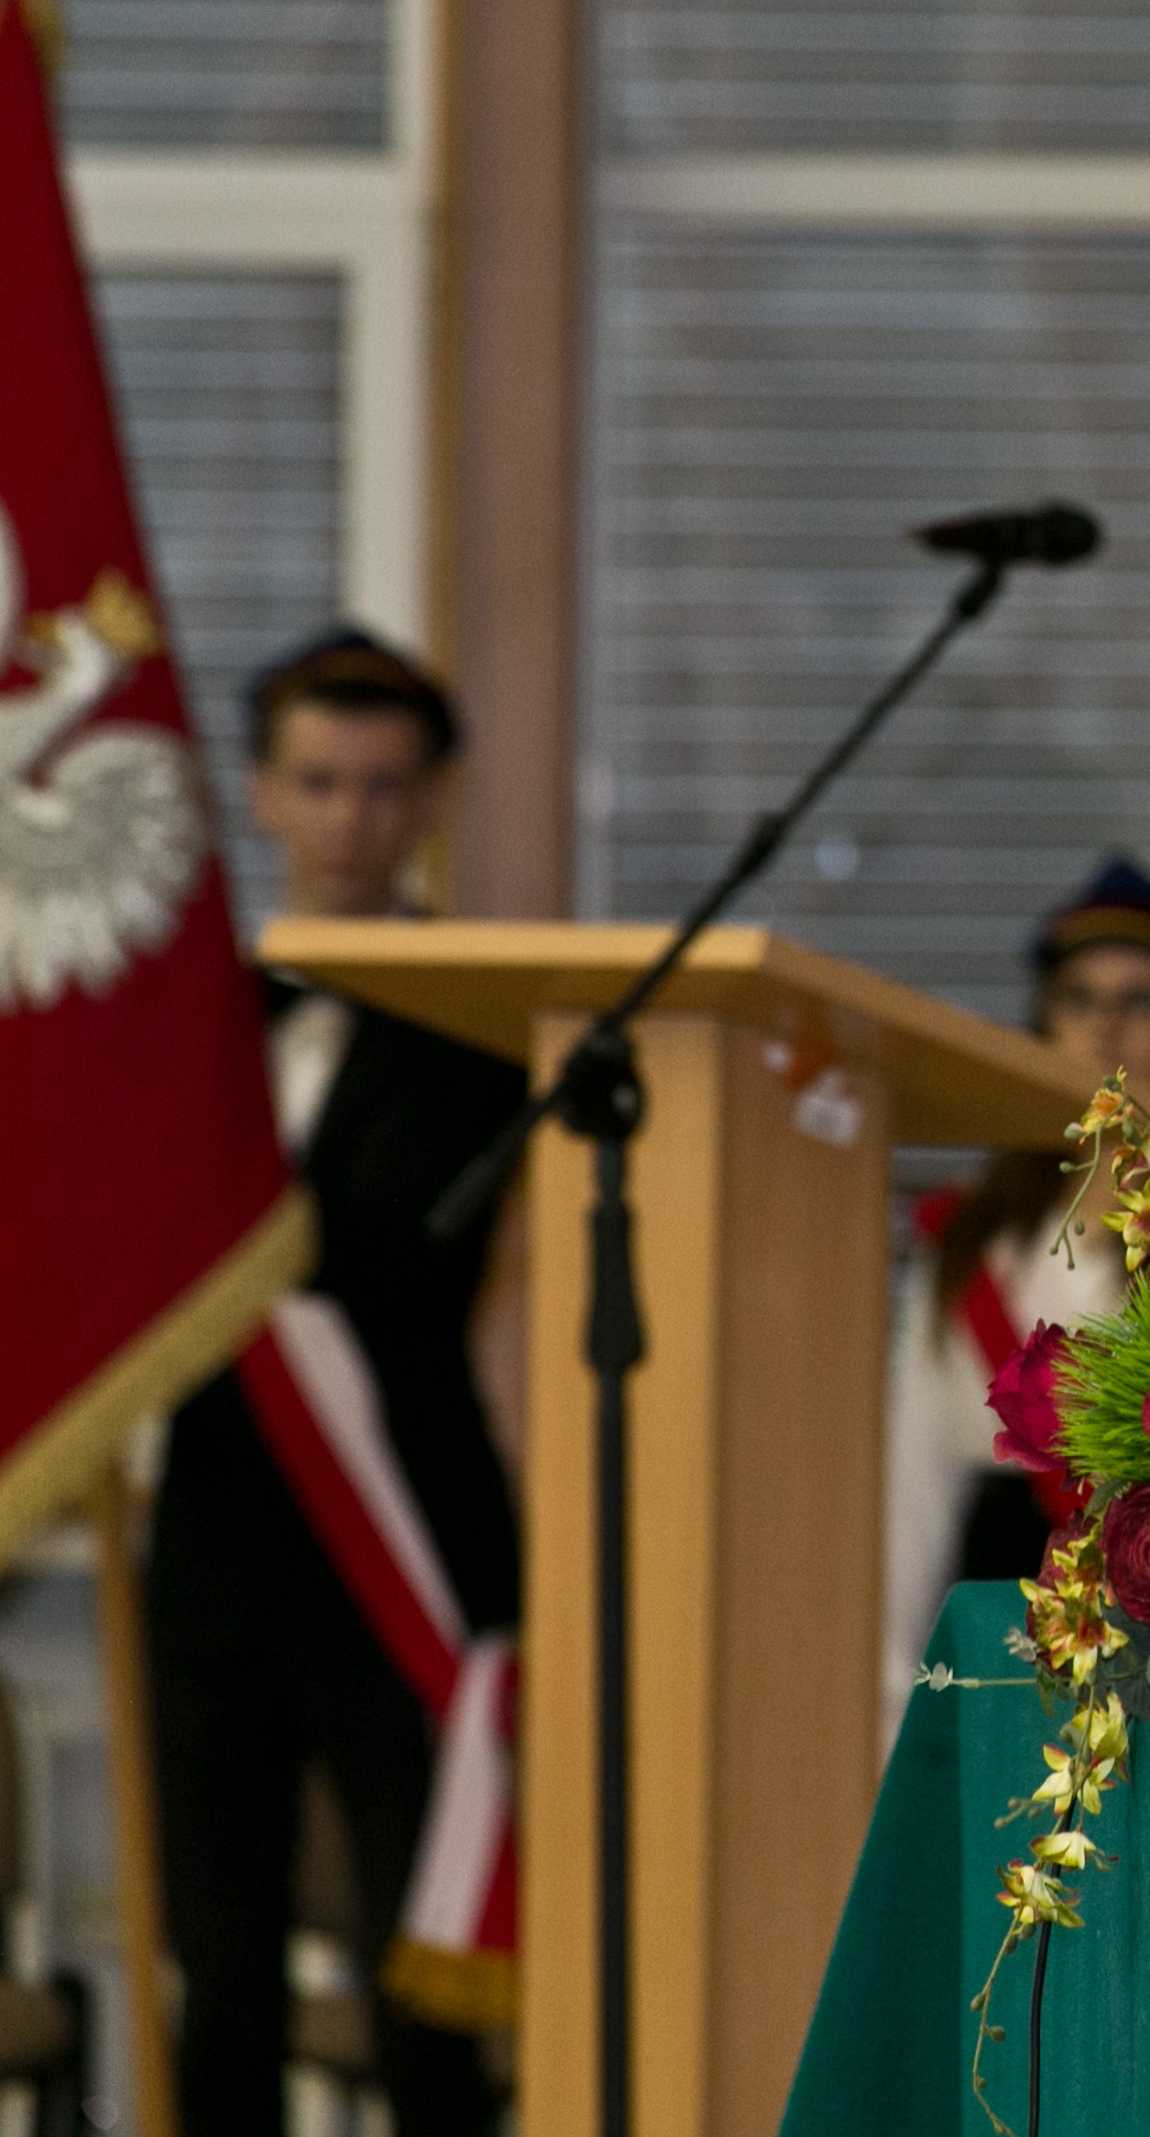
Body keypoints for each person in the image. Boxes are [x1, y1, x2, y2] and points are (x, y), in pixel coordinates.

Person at [149, 631, 519, 2137]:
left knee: (419, 1975)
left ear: (429, 804)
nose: (350, 820)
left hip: (403, 1527)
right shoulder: (176, 1018)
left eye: (381, 788)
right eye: (318, 783)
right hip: (215, 1532)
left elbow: (395, 1262)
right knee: (219, 1965)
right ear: (259, 794)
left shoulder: (483, 1022)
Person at [881, 857, 1150, 1706]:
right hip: (992, 1610)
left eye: (1144, 1000)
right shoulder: (970, 1241)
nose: (1105, 1028)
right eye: (1078, 999)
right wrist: (895, 1697)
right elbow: (913, 1493)